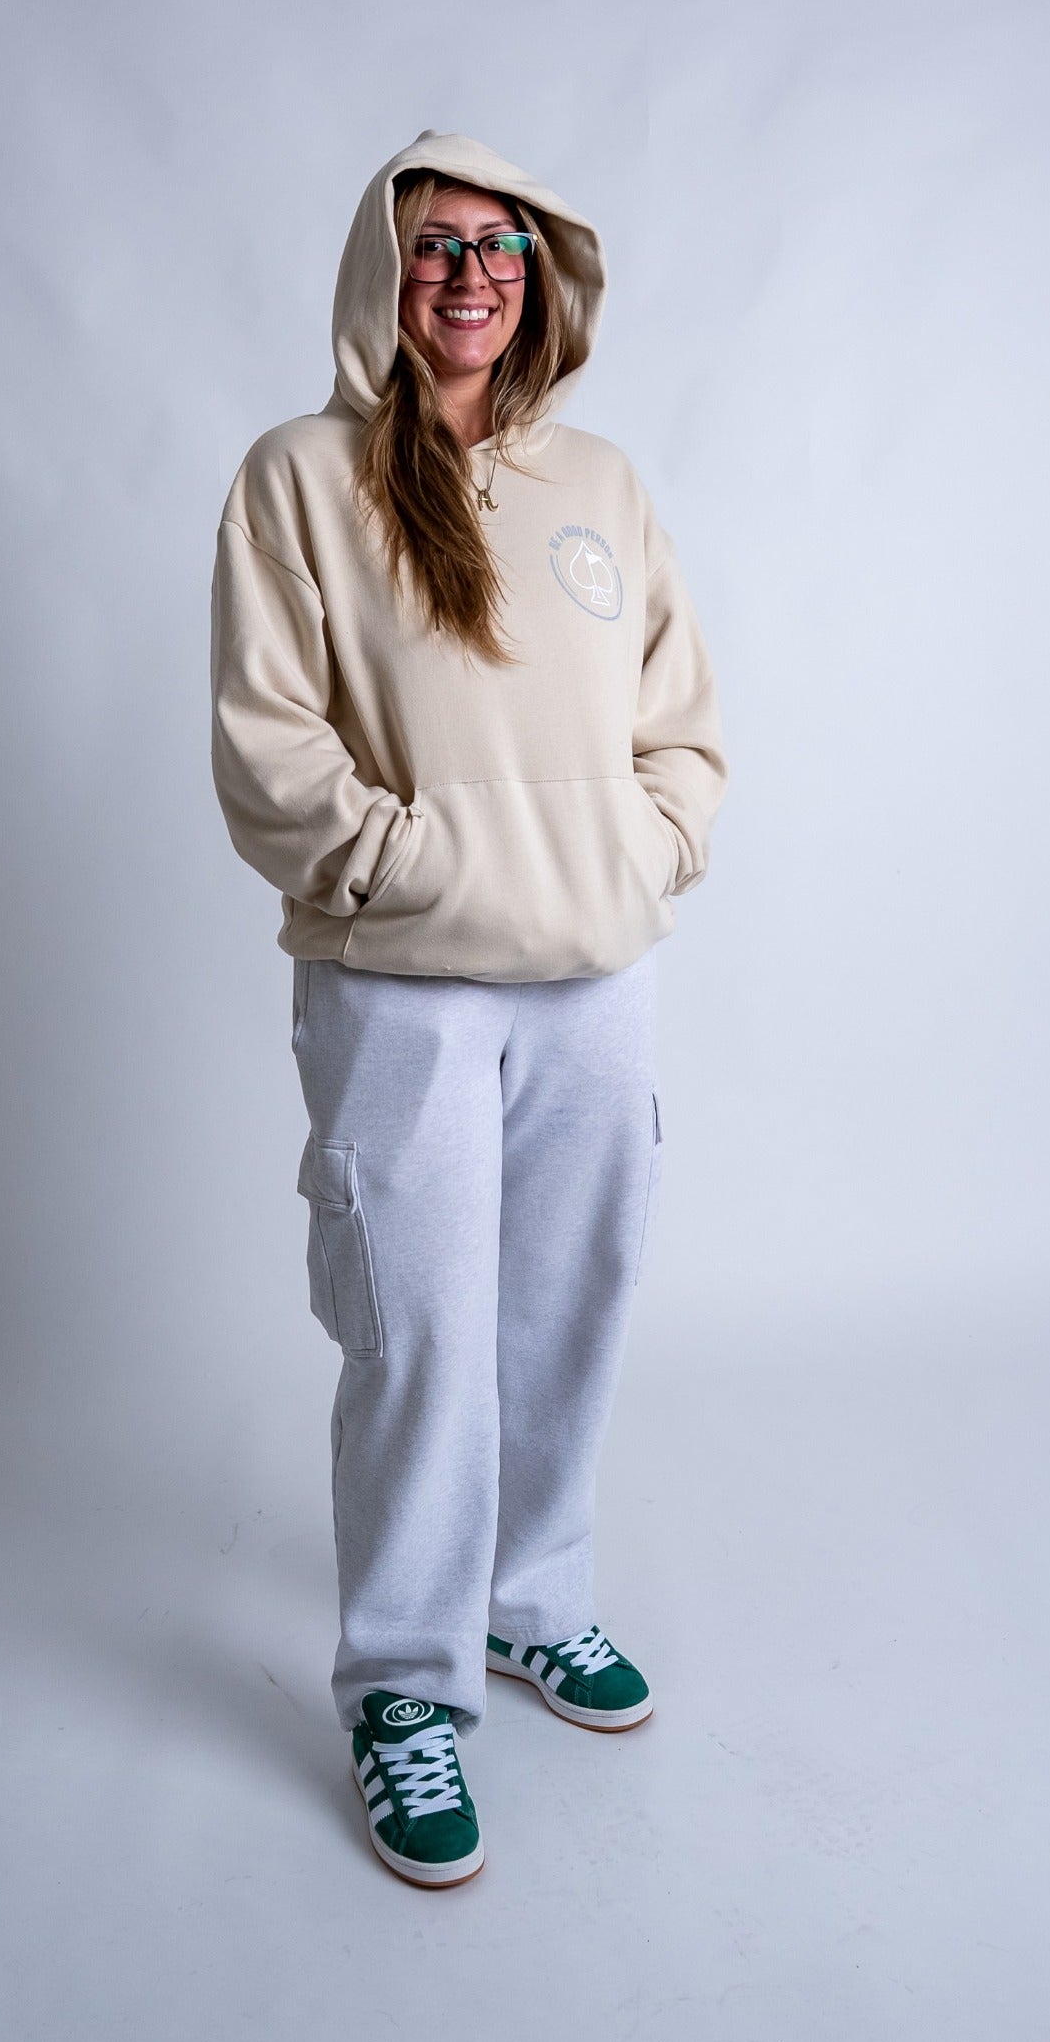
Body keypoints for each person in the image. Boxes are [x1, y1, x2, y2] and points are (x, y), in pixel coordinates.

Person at [210, 131, 725, 1887]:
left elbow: (684, 719)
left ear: (543, 276)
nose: (472, 274)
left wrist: (642, 853)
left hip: (597, 980)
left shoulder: (601, 482)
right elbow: (272, 749)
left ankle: (529, 1602)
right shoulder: (300, 479)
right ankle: (404, 1682)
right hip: (404, 991)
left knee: (570, 1306)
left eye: (503, 246)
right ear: (384, 268)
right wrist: (406, 868)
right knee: (420, 1334)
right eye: (437, 245)